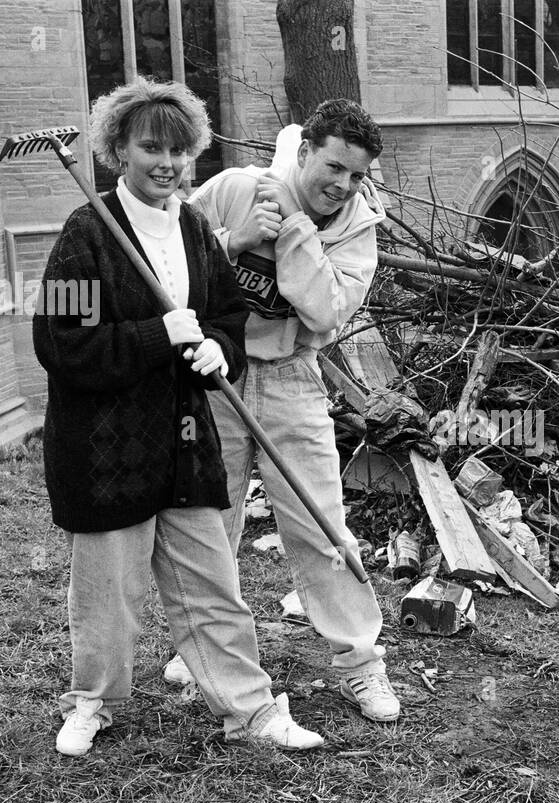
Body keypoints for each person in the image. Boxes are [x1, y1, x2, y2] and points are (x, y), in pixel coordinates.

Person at [34, 77, 324, 756]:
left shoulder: (194, 226)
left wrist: (218, 352)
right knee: (109, 594)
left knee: (213, 585)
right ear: (118, 151)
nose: (165, 162)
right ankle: (93, 701)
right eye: (150, 148)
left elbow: (226, 316)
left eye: (178, 150)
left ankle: (250, 708)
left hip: (186, 440)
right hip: (106, 449)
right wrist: (155, 336)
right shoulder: (86, 233)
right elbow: (62, 343)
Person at [177, 99, 400, 723]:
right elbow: (169, 271)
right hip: (210, 375)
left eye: (357, 175)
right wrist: (235, 241)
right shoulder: (233, 190)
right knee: (208, 523)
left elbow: (327, 313)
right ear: (303, 151)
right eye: (333, 167)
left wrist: (296, 231)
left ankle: (361, 662)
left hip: (292, 380)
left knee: (320, 524)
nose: (344, 185)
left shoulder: (358, 229)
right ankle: (203, 656)